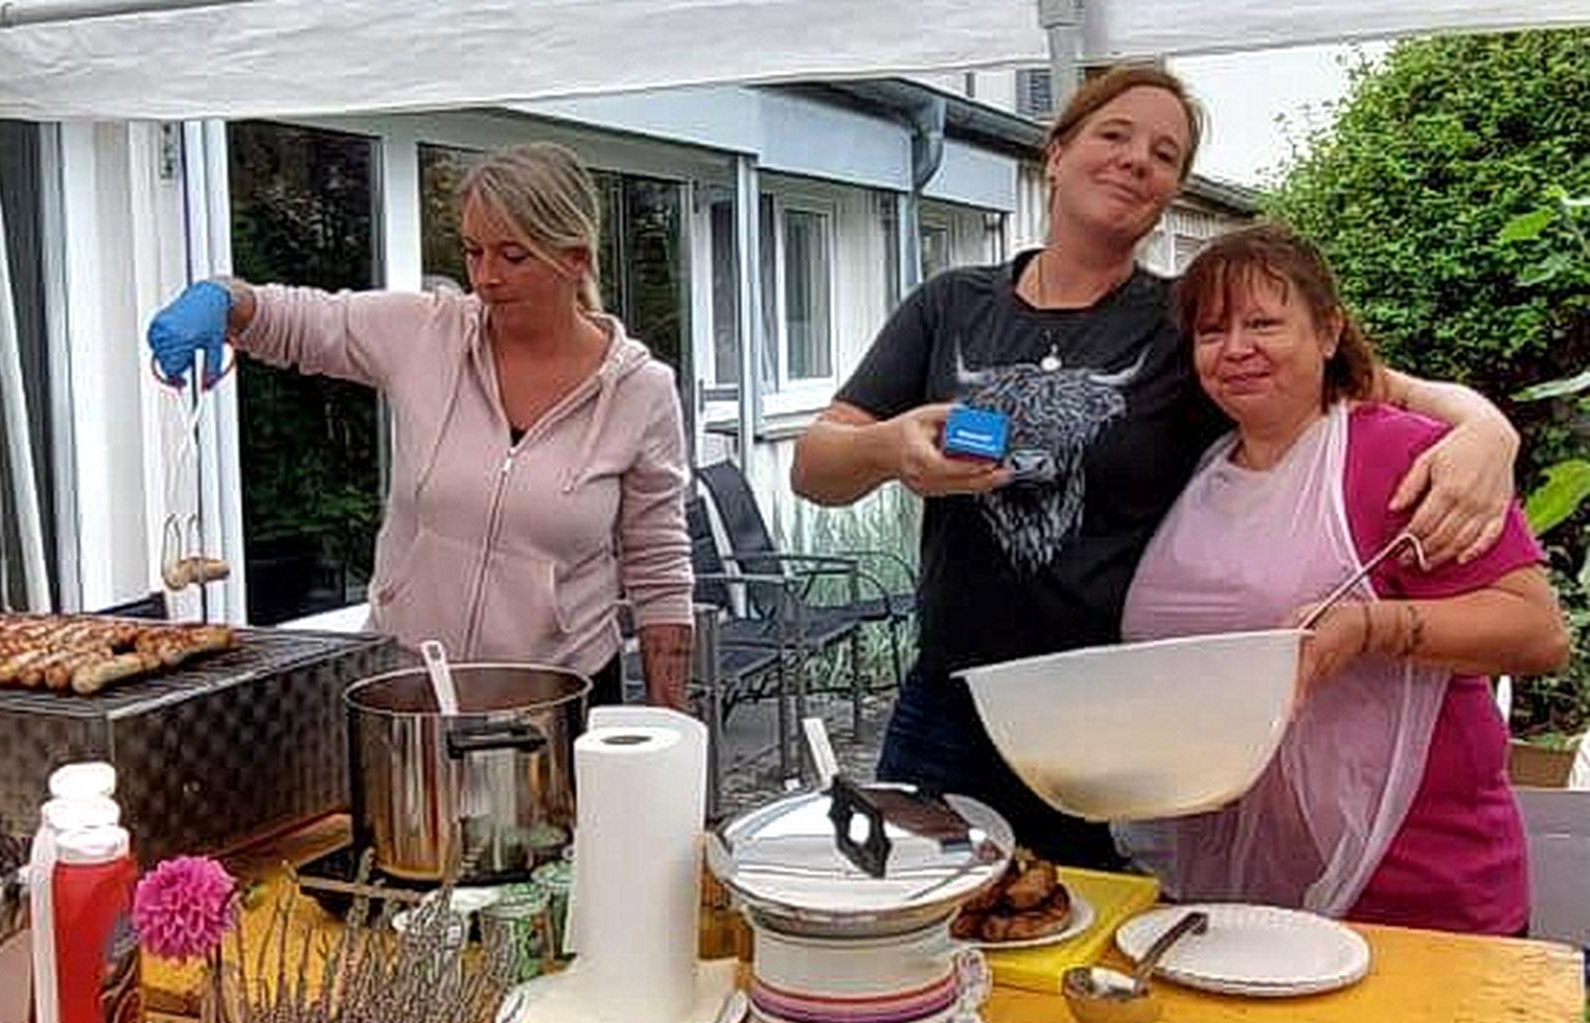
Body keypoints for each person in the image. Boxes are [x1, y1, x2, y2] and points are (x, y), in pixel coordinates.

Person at [790, 65, 1521, 868]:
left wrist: (1486, 427)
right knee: (915, 915)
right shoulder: (950, 304)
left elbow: (1357, 378)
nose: (1138, 159)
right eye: (1114, 135)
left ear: (1171, 190)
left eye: (1165, 153)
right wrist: (888, 447)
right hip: (952, 698)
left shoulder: (1191, 322)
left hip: (1120, 709)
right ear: (1056, 154)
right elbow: (815, 467)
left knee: (1093, 930)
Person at [1116, 224, 1566, 934]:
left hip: (1418, 890)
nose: (1236, 348)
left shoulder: (1406, 453)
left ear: (1328, 332)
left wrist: (1371, 625)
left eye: (1264, 322)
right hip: (1238, 892)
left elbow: (1537, 631)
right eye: (1211, 330)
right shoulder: (1200, 469)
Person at [146, 142, 693, 709]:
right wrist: (220, 299)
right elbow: (297, 319)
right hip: (406, 687)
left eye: (513, 256)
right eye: (473, 251)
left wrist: (671, 733)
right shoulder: (425, 334)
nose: (486, 278)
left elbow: (660, 572)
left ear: (575, 258)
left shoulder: (640, 392)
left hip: (556, 697)